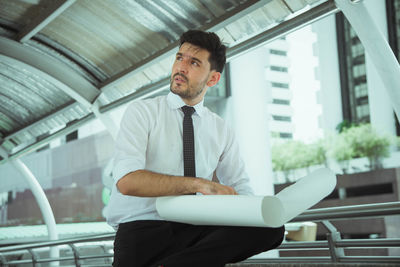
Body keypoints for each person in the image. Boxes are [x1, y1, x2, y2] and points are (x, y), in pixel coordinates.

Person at [105, 29, 285, 267]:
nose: (181, 67)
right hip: (142, 230)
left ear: (212, 79)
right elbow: (127, 182)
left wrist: (261, 209)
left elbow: (240, 187)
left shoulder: (221, 129)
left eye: (194, 63)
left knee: (271, 228)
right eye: (179, 58)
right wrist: (200, 184)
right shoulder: (142, 112)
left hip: (197, 229)